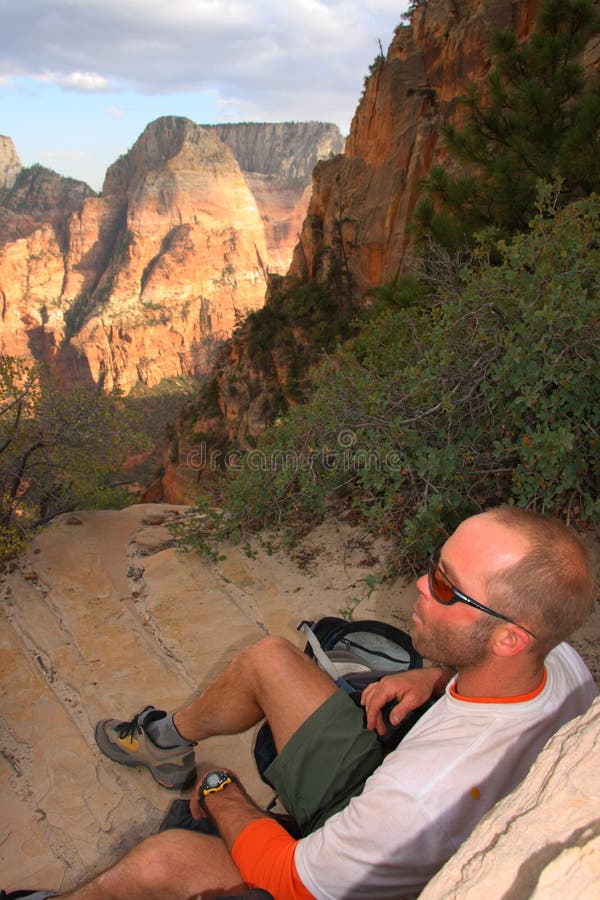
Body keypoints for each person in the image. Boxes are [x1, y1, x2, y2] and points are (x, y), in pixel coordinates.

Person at [14, 508, 599, 899]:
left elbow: (288, 878)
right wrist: (437, 676)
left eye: (446, 586)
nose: (422, 585)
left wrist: (221, 791)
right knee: (270, 657)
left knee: (159, 862)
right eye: (433, 567)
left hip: (349, 865)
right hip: (390, 798)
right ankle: (167, 743)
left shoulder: (417, 797)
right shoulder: (559, 661)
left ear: (507, 638)